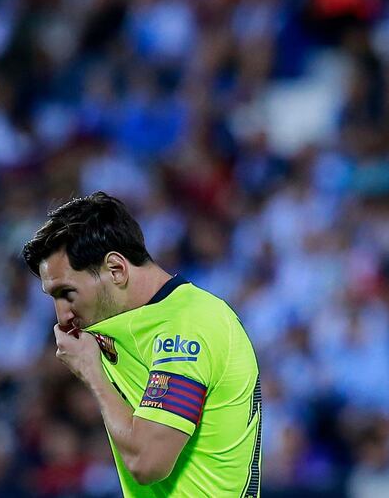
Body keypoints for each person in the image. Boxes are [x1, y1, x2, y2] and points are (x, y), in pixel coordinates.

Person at [22, 191, 262, 498]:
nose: (62, 316)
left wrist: (91, 372)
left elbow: (147, 462)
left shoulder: (189, 325)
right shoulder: (127, 324)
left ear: (116, 269)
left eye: (67, 293)